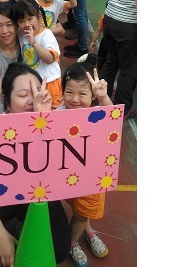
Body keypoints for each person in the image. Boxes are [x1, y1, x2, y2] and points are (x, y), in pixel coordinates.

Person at [0, 63, 71, 267]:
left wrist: (43, 123)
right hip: (2, 195)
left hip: (38, 195)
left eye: (37, 92)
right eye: (22, 95)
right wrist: (0, 235)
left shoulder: (56, 123)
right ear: (7, 102)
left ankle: (24, 225)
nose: (32, 100)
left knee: (58, 249)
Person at [57, 54, 113, 267]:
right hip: (68, 175)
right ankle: (88, 230)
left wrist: (103, 98)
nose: (75, 99)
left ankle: (72, 243)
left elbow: (112, 120)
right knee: (77, 208)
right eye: (69, 92)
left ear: (92, 96)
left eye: (82, 93)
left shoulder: (98, 114)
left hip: (93, 178)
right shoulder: (59, 113)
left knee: (81, 214)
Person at [100, 0, 137, 113]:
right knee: (128, 70)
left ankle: (101, 100)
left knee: (111, 62)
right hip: (128, 22)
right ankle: (123, 109)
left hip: (111, 17)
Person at [12, 0, 63, 108]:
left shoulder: (47, 35)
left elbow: (50, 59)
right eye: (21, 21)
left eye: (30, 19)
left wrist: (33, 42)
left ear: (39, 16)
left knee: (53, 111)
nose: (26, 24)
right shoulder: (21, 33)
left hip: (50, 83)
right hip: (33, 83)